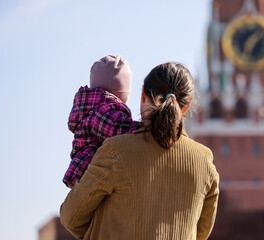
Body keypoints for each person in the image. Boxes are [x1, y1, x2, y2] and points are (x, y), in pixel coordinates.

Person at [60, 62, 219, 240]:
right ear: (186, 108)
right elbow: (201, 233)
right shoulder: (205, 161)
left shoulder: (116, 151)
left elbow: (71, 216)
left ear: (143, 95)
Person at [63, 55, 141, 188]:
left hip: (86, 170)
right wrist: (145, 128)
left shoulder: (92, 108)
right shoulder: (103, 110)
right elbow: (117, 129)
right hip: (92, 172)